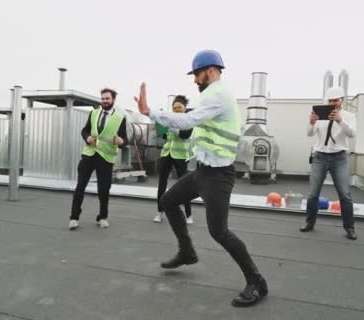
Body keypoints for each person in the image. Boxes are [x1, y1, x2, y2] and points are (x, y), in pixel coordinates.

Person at [135, 50, 268, 307]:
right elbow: (187, 123)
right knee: (168, 201)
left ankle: (257, 282)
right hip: (203, 172)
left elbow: (188, 119)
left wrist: (150, 112)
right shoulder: (208, 95)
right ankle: (187, 252)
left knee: (220, 232)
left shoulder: (218, 94)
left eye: (196, 73)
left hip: (218, 176)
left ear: (210, 70)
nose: (194, 79)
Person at [300, 86, 357, 240]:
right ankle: (309, 223)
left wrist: (340, 121)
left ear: (342, 100)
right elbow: (309, 133)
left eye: (336, 100)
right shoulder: (320, 114)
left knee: (345, 194)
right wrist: (311, 122)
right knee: (313, 194)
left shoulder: (349, 116)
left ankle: (349, 227)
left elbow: (352, 134)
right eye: (330, 100)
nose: (333, 102)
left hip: (339, 157)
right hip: (320, 156)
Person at [69, 88, 128, 230]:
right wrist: (87, 137)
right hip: (89, 154)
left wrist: (121, 141)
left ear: (113, 100)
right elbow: (85, 130)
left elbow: (125, 140)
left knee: (104, 189)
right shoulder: (93, 113)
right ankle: (74, 217)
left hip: (106, 158)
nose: (104, 101)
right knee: (80, 187)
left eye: (107, 98)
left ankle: (102, 217)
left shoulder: (120, 118)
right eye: (102, 98)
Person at [153, 95, 194, 224]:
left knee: (184, 186)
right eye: (174, 107)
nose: (176, 110)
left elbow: (184, 135)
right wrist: (159, 127)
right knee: (162, 184)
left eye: (179, 107)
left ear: (184, 108)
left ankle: (188, 214)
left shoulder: (189, 121)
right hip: (167, 154)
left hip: (181, 156)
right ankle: (159, 212)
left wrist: (170, 125)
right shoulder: (169, 118)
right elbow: (165, 136)